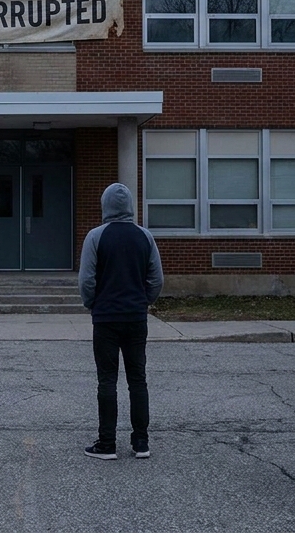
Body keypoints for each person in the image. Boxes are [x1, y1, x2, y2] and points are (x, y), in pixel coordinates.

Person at [78, 182, 164, 460]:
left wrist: (92, 303)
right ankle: (141, 442)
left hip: (105, 318)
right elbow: (156, 279)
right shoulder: (145, 237)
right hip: (136, 317)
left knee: (107, 380)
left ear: (105, 205)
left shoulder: (95, 237)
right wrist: (144, 301)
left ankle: (107, 444)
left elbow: (87, 280)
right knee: (138, 379)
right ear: (129, 207)